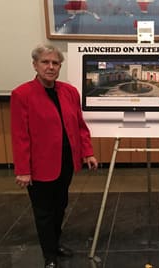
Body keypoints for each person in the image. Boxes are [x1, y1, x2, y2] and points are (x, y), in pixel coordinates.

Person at [11, 44, 98, 268]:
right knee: (43, 212)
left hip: (66, 162)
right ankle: (49, 255)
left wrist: (87, 152)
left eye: (55, 63)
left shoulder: (69, 92)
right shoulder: (21, 94)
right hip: (39, 166)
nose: (50, 67)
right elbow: (20, 135)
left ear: (60, 66)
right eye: (45, 62)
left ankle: (55, 242)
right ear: (35, 65)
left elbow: (79, 126)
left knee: (60, 206)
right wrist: (22, 169)